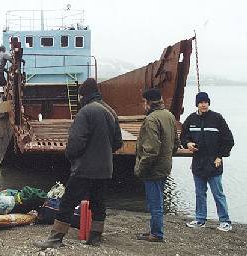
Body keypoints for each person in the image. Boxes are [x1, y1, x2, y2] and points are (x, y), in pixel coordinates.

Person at [34, 78, 123, 249]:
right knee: (98, 201)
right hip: (105, 168)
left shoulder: (85, 112)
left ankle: (55, 238)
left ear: (83, 95)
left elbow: (76, 143)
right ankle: (95, 237)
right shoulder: (110, 112)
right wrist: (103, 151)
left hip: (85, 168)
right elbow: (118, 142)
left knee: (68, 201)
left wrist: (71, 156)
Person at [181, 91, 234, 232]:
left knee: (218, 194)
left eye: (206, 102)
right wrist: (187, 144)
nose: (203, 105)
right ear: (197, 104)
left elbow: (229, 140)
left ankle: (225, 221)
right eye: (201, 102)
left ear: (208, 103)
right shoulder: (191, 119)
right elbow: (183, 136)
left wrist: (220, 156)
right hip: (198, 163)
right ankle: (200, 219)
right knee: (200, 193)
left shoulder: (217, 118)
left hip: (214, 163)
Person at [134, 88, 179, 242]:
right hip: (165, 166)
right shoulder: (170, 116)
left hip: (153, 169)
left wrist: (141, 168)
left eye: (143, 102)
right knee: (157, 201)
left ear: (147, 102)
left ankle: (157, 234)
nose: (143, 105)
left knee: (155, 203)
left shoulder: (151, 119)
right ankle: (154, 230)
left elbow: (151, 149)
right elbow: (176, 144)